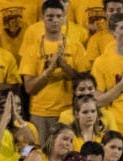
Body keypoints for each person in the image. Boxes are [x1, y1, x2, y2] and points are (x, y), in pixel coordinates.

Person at [20, 0, 91, 143]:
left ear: (65, 18)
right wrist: (49, 70)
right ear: (42, 18)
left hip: (68, 112)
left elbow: (84, 83)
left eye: (59, 16)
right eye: (50, 17)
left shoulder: (76, 47)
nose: (54, 21)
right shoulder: (32, 49)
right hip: (40, 114)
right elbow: (29, 88)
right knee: (37, 153)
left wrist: (63, 65)